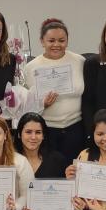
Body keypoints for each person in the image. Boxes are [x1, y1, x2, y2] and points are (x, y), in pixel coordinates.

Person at [23, 18, 86, 161]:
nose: (56, 44)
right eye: (51, 41)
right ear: (42, 41)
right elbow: (26, 107)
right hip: (46, 130)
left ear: (67, 41)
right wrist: (41, 104)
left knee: (73, 172)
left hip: (75, 128)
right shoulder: (31, 67)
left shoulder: (80, 61)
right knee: (50, 174)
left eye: (61, 40)